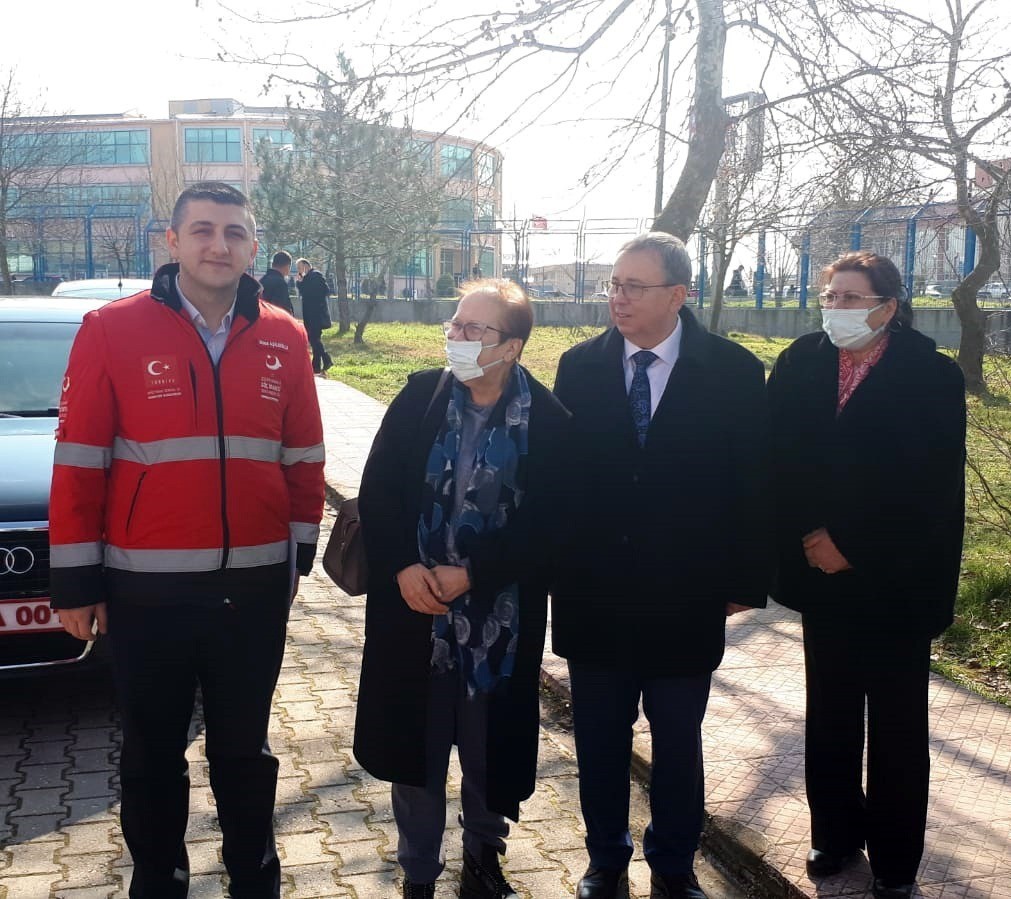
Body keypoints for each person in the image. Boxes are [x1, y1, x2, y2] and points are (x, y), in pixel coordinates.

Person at [48, 182, 326, 899]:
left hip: (254, 587)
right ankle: (159, 876)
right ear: (171, 242)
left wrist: (298, 553)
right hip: (146, 588)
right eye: (201, 229)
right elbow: (80, 458)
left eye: (234, 232)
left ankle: (253, 875)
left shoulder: (283, 335)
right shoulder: (110, 328)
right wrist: (76, 581)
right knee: (151, 751)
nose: (218, 244)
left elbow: (304, 456)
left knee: (243, 749)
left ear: (253, 247)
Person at [551, 232, 772, 899]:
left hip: (685, 591)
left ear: (677, 294)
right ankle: (605, 860)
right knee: (598, 740)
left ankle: (673, 866)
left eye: (632, 286)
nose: (616, 297)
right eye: (613, 284)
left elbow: (752, 480)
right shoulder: (578, 364)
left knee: (677, 740)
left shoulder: (732, 370)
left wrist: (743, 577)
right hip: (595, 592)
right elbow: (563, 478)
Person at [352, 279, 570, 899]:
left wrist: (476, 573)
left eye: (477, 330)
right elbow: (379, 491)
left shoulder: (550, 421)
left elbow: (553, 523)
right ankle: (418, 869)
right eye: (455, 324)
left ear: (514, 346)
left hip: (498, 620)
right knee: (415, 751)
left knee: (487, 748)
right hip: (414, 609)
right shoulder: (421, 396)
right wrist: (401, 568)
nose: (459, 338)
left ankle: (483, 856)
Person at [766, 251, 965, 899]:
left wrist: (852, 544)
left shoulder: (930, 377)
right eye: (830, 295)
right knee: (829, 712)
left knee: (897, 725)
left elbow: (931, 487)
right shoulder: (802, 362)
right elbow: (777, 457)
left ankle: (894, 857)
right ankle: (836, 832)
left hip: (895, 578)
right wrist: (806, 538)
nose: (836, 308)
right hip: (819, 572)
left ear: (888, 305)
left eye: (851, 298)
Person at [295, 257, 333, 373]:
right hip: (310, 314)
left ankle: (326, 359)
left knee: (314, 338)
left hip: (316, 313)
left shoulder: (316, 275)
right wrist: (300, 283)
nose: (299, 270)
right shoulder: (307, 278)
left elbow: (325, 290)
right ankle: (316, 366)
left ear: (306, 265)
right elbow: (304, 292)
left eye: (300, 267)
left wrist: (303, 283)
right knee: (314, 338)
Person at [259, 250, 294, 314]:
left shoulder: (262, 280)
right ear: (288, 267)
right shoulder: (281, 284)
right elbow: (282, 309)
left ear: (273, 264)